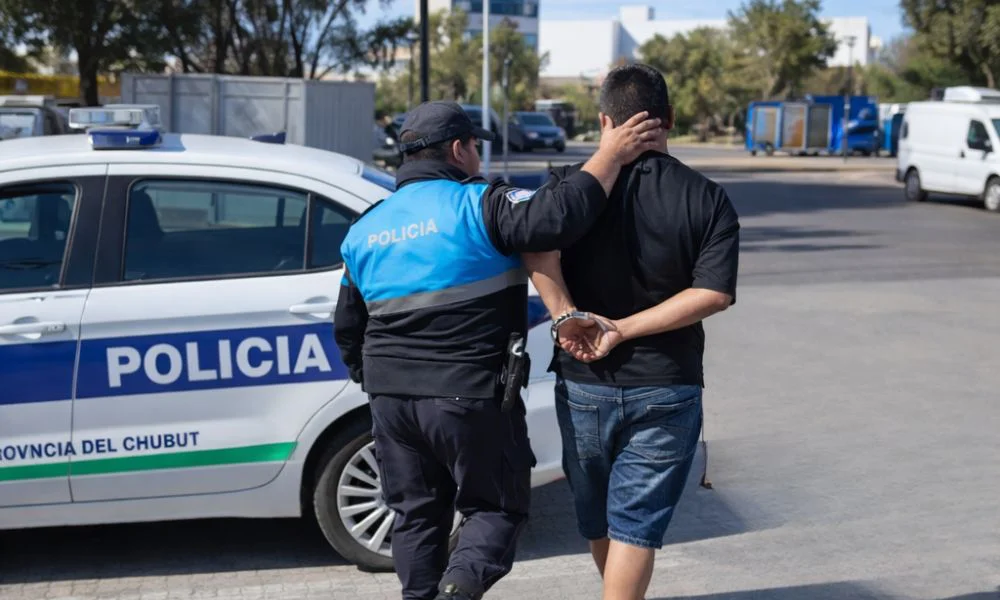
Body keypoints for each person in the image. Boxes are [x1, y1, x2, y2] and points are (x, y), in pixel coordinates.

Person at [333, 100, 662, 600]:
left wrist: (377, 382)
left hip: (390, 400)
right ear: (458, 149)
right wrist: (610, 155)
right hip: (467, 393)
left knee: (415, 514)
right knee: (497, 509)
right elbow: (557, 216)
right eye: (474, 147)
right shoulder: (481, 203)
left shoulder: (365, 229)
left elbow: (347, 326)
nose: (477, 158)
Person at [526, 64, 741, 600]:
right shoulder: (707, 197)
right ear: (671, 118)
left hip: (583, 382)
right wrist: (621, 330)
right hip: (667, 386)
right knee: (634, 526)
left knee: (602, 519)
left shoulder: (566, 189)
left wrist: (566, 316)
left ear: (604, 121)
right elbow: (713, 293)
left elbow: (535, 246)